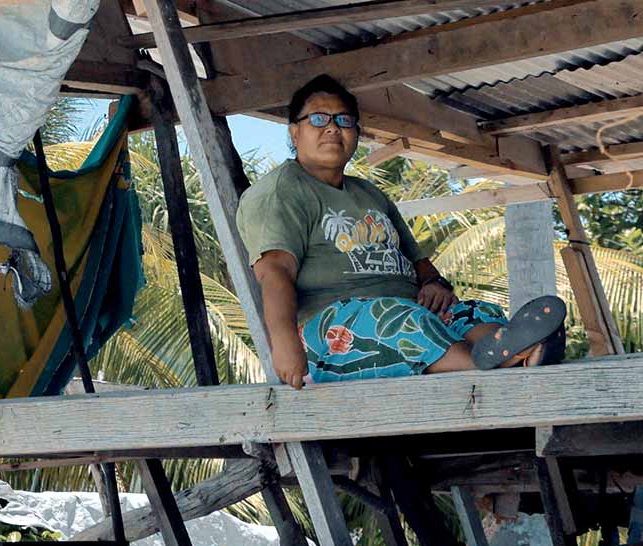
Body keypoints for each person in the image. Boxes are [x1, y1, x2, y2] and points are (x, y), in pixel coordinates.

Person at [236, 74, 565, 390]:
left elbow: (417, 261)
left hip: (405, 311)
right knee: (398, 319)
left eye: (344, 120)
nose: (334, 129)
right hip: (333, 332)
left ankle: (511, 349)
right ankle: (491, 362)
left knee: (472, 311)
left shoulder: (368, 193)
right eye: (319, 119)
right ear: (294, 133)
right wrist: (283, 344)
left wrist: (434, 284)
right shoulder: (282, 191)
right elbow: (274, 272)